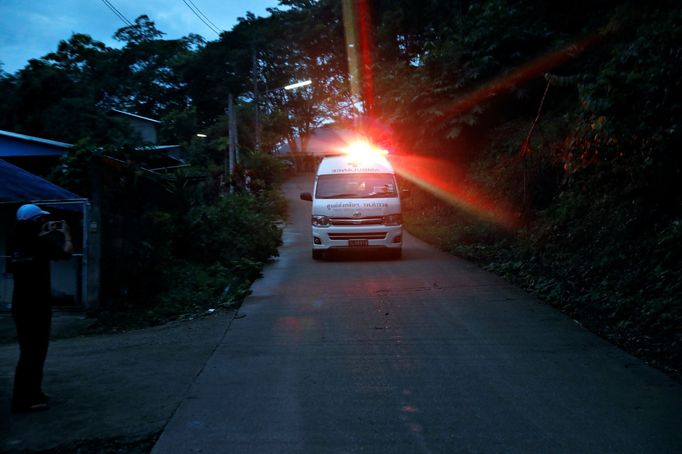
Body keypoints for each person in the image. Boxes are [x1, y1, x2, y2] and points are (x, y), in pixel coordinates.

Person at [9, 204, 73, 413]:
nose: (45, 223)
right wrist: (67, 234)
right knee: (35, 352)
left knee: (28, 351)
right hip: (38, 305)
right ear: (36, 222)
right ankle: (23, 399)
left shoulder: (16, 243)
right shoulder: (41, 243)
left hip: (20, 304)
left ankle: (32, 392)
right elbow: (66, 253)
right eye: (42, 220)